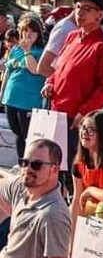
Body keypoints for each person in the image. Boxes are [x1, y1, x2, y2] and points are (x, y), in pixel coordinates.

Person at [0, 139, 77, 258]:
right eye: (25, 162)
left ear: (54, 169)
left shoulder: (53, 215)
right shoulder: (22, 187)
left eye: (36, 165)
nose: (27, 169)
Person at [41, 0, 103, 167]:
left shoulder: (102, 46)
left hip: (77, 120)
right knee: (52, 165)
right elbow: (58, 68)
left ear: (100, 15)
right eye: (78, 7)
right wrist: (50, 83)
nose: (80, 12)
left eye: (87, 9)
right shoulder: (72, 36)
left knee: (74, 168)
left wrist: (84, 113)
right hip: (57, 113)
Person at [1, 15, 46, 160]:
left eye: (32, 32)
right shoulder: (15, 50)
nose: (28, 34)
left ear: (38, 34)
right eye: (25, 31)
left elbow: (34, 69)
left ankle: (30, 163)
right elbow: (8, 72)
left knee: (28, 134)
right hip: (11, 98)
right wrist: (2, 93)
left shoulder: (41, 52)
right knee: (17, 133)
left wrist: (27, 51)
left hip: (28, 101)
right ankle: (21, 163)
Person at [37, 10, 77, 77]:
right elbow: (43, 67)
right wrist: (64, 82)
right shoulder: (64, 29)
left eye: (57, 18)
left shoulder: (73, 27)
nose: (55, 21)